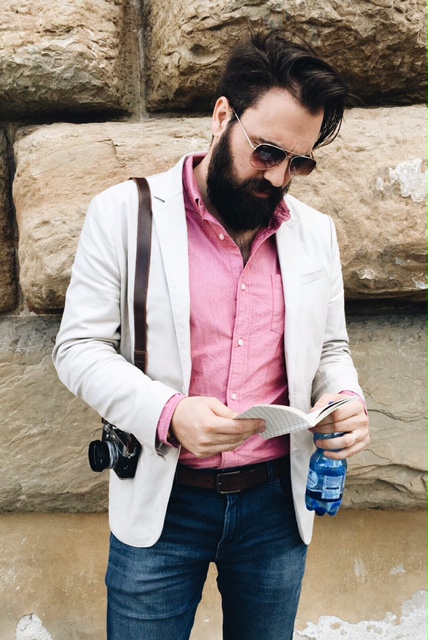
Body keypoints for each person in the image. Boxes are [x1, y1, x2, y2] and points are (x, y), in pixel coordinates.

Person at [53, 29, 370, 640]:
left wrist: (347, 400)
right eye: (267, 152)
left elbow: (330, 349)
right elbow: (77, 349)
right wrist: (169, 413)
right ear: (223, 114)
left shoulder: (315, 233)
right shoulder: (123, 213)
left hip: (277, 505)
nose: (279, 178)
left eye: (299, 162)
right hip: (164, 503)